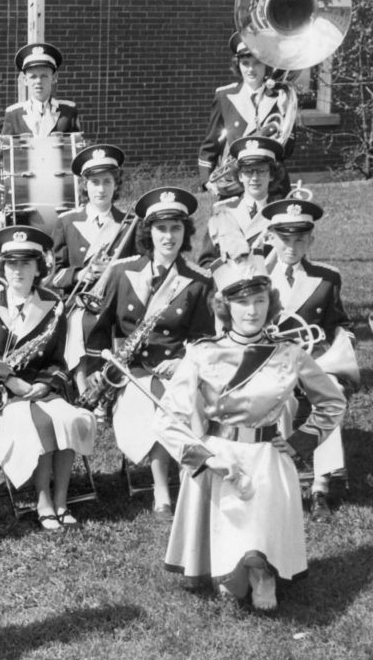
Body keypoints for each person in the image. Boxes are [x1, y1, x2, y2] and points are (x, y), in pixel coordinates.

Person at [155, 259, 346, 612]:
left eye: (260, 300)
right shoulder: (203, 353)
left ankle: (262, 574)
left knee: (259, 530)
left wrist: (303, 440)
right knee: (231, 564)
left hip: (266, 455)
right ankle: (232, 569)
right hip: (219, 456)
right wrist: (205, 458)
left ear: (270, 303)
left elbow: (332, 401)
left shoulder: (289, 353)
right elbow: (167, 417)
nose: (252, 310)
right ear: (225, 306)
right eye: (242, 302)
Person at [86, 187, 214, 515]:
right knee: (149, 409)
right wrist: (98, 373)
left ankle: (193, 482)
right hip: (132, 373)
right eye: (160, 228)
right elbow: (97, 331)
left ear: (185, 232)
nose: (168, 236)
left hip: (179, 369)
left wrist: (185, 361)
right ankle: (161, 491)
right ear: (148, 232)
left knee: (186, 405)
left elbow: (204, 338)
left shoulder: (198, 281)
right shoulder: (122, 271)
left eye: (176, 228)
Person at [0, 225, 97, 530]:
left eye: (26, 263)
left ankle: (62, 501)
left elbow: (59, 358)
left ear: (39, 267)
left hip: (41, 388)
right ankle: (43, 502)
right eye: (12, 263)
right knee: (38, 425)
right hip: (3, 393)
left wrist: (44, 384)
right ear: (2, 266)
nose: (18, 271)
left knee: (69, 419)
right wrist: (11, 380)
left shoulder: (53, 303)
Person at [263, 191, 358, 516]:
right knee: (283, 402)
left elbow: (338, 324)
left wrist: (344, 340)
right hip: (271, 365)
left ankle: (320, 486)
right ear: (270, 237)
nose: (292, 247)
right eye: (284, 238)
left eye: (300, 239)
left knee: (329, 396)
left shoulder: (326, 278)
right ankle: (286, 475)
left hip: (314, 360)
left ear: (311, 240)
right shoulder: (257, 279)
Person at [48, 144, 136, 378]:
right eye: (95, 182)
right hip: (80, 300)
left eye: (107, 181)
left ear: (116, 184)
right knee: (81, 323)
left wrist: (116, 271)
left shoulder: (129, 222)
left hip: (118, 298)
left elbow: (140, 267)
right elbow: (54, 274)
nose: (101, 189)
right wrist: (79, 274)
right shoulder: (67, 222)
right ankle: (82, 385)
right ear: (85, 185)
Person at [194, 36, 295, 195]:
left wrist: (287, 109)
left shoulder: (282, 96)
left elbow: (287, 151)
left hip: (273, 187)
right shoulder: (224, 96)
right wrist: (206, 180)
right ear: (238, 65)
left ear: (266, 65)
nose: (250, 69)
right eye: (245, 63)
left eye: (257, 63)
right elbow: (210, 146)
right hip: (236, 187)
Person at [195, 135, 285, 267]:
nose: (255, 178)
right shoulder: (223, 213)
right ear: (240, 176)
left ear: (271, 175)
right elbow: (206, 262)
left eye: (261, 171)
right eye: (248, 171)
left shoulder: (281, 213)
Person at [0, 42, 81, 139]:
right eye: (33, 77)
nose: (38, 81)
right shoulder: (14, 114)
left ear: (54, 78)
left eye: (44, 76)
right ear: (25, 80)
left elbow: (77, 150)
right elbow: (4, 152)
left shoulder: (68, 112)